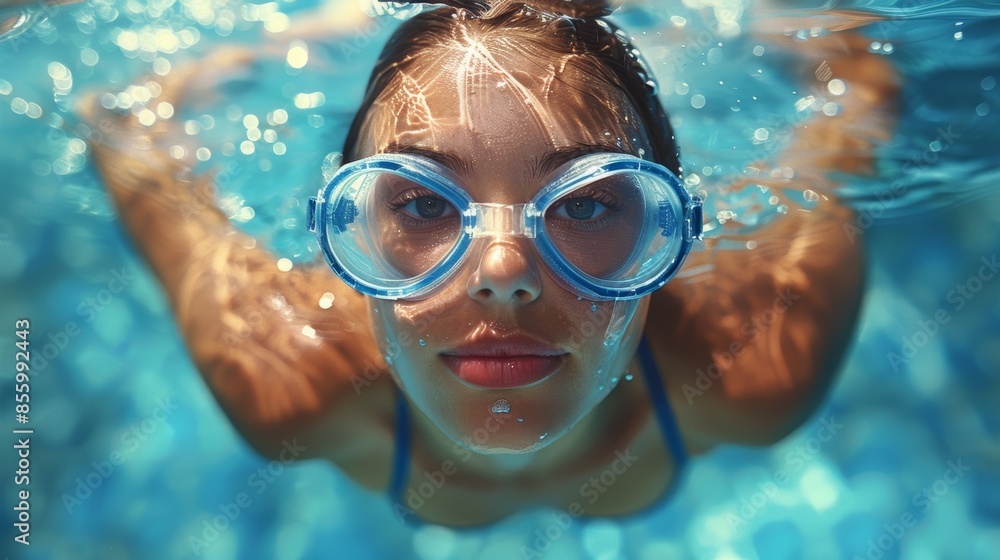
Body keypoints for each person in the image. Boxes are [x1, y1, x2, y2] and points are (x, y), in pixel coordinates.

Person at [83, 0, 897, 526]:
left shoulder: (758, 358)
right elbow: (121, 126)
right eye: (423, 204)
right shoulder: (286, 380)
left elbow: (859, 91)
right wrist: (315, 31)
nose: (504, 269)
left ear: (667, 233)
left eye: (585, 204)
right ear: (349, 228)